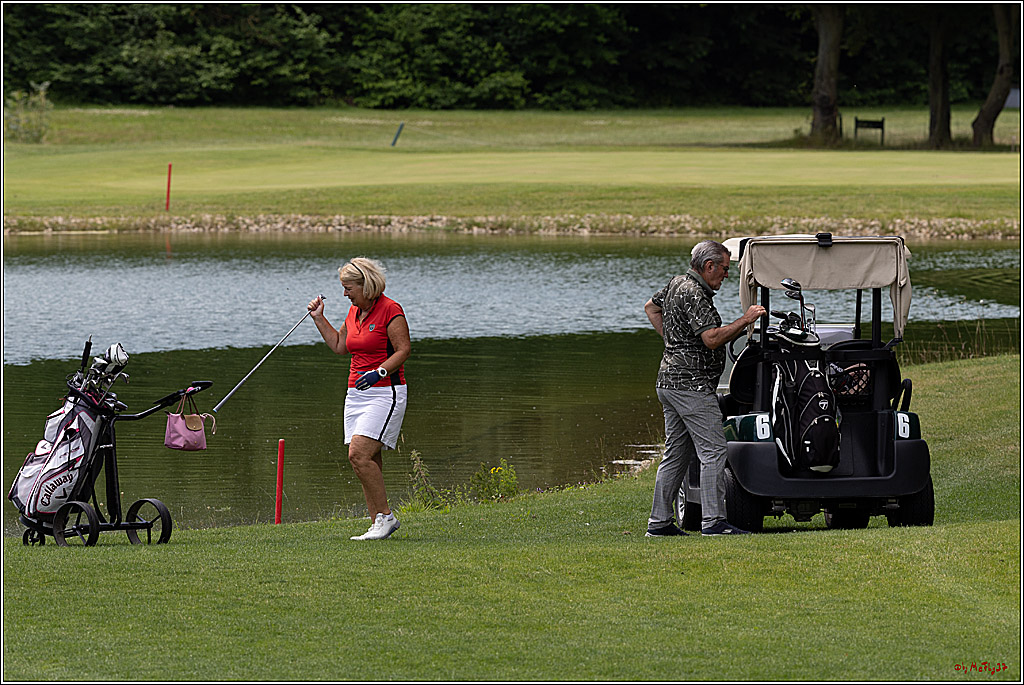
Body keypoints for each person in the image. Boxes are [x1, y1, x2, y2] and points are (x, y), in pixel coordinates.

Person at [643, 240, 765, 537]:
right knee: (713, 450)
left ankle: (659, 523)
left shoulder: (676, 283)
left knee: (676, 454)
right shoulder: (695, 293)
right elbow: (711, 339)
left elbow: (651, 307)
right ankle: (713, 522)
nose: (726, 275)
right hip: (691, 386)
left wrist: (674, 342)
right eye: (724, 269)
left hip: (669, 382)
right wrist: (746, 320)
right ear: (709, 266)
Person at [308, 257, 411, 541]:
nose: (345, 294)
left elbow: (403, 350)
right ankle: (377, 521)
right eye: (343, 288)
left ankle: (386, 517)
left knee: (358, 454)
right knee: (368, 458)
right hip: (356, 394)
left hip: (385, 391)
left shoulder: (391, 310)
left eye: (349, 288)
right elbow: (340, 346)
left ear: (367, 285)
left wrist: (379, 373)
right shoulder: (354, 312)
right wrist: (319, 319)